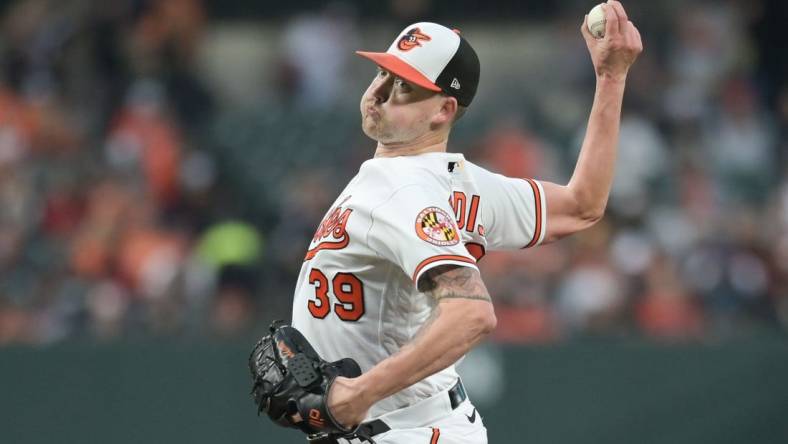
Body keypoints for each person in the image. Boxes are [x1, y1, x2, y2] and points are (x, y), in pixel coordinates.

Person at [290, 2, 642, 442]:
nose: (379, 92)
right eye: (382, 74)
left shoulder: (401, 188)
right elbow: (581, 204)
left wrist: (358, 394)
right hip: (419, 423)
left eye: (403, 87)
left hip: (398, 431)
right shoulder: (462, 183)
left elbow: (471, 314)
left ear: (443, 110)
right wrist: (612, 79)